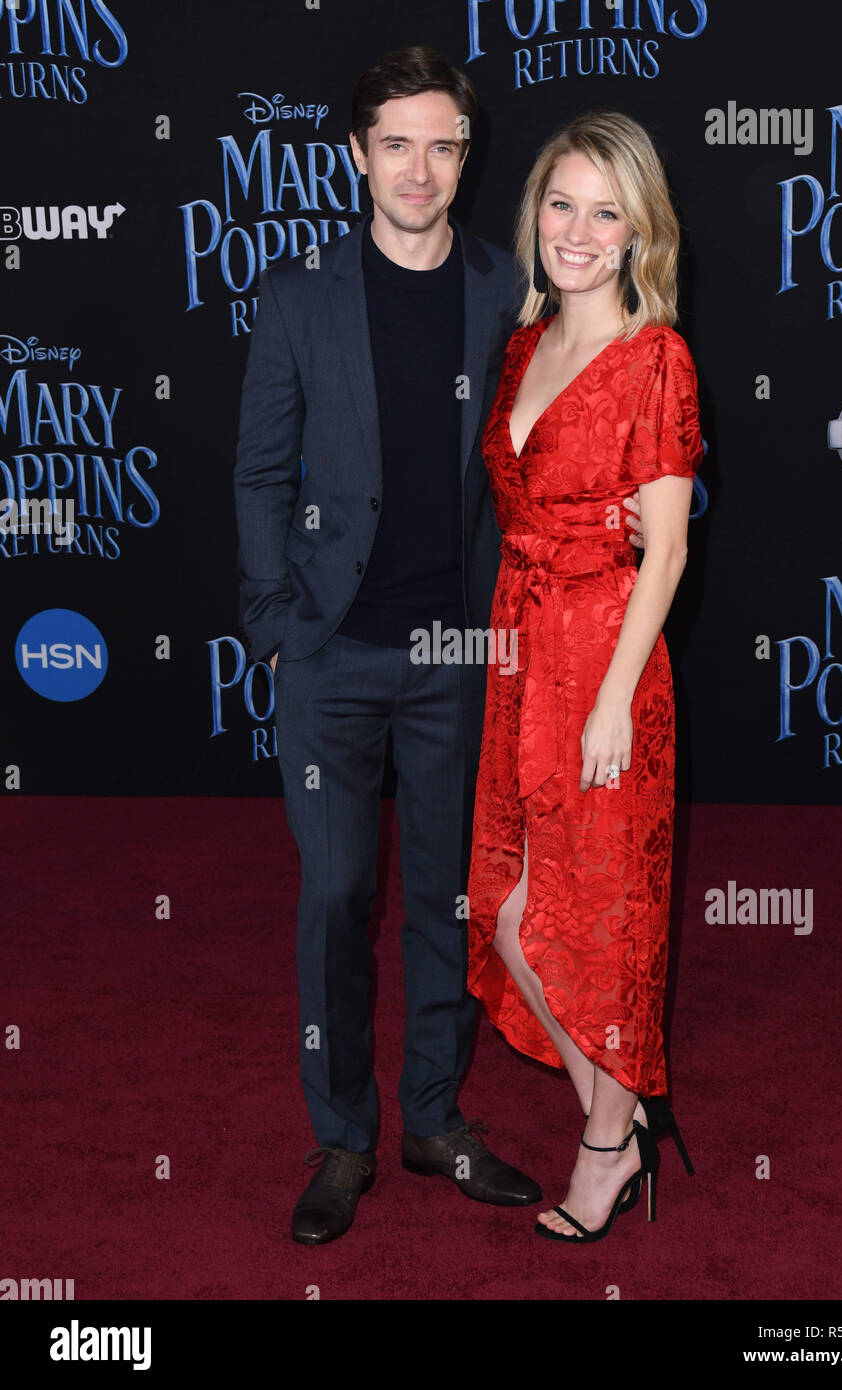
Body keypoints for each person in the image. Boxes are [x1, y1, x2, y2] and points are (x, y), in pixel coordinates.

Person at [234, 46, 642, 1246]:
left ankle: (431, 1117)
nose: (420, 168)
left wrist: (617, 501)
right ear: (358, 155)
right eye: (396, 143)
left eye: (444, 144)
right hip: (327, 650)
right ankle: (343, 1135)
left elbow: (582, 403)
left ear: (468, 158)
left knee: (453, 901)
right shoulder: (299, 292)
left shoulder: (502, 288)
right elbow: (260, 472)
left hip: (465, 652)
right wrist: (271, 623)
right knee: (336, 895)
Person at [466, 110, 702, 1243]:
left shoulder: (654, 357)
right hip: (522, 655)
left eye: (604, 211)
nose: (576, 229)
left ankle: (605, 1146)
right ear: (535, 215)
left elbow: (667, 548)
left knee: (594, 926)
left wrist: (612, 694)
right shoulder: (522, 346)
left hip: (606, 664)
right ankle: (619, 1122)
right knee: (509, 910)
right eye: (560, 203)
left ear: (635, 234)